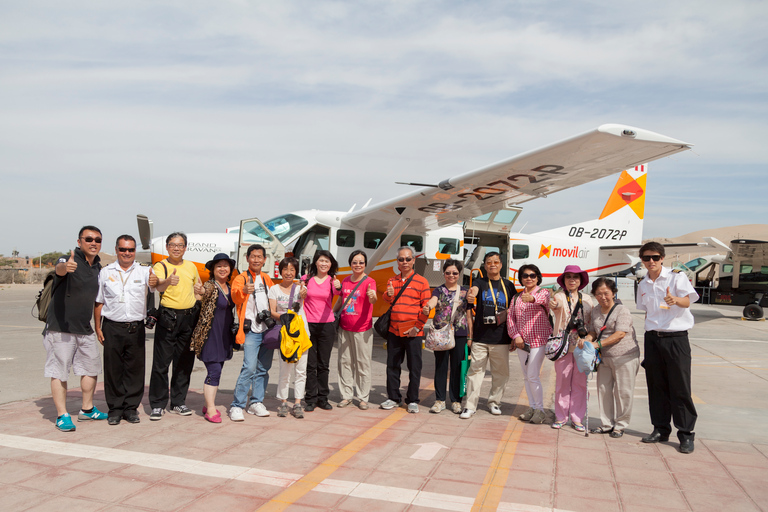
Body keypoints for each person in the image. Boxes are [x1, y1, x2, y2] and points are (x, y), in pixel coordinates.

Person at [636, 242, 699, 454]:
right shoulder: (643, 284)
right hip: (653, 339)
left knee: (680, 387)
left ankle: (686, 434)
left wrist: (675, 300)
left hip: (676, 339)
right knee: (656, 386)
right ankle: (660, 429)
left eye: (654, 257)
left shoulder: (676, 277)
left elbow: (688, 301)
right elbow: (646, 311)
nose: (651, 261)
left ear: (662, 257)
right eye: (646, 258)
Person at [43, 226, 108, 431]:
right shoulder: (67, 259)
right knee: (60, 372)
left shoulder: (97, 266)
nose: (93, 242)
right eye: (88, 239)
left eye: (97, 239)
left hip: (84, 327)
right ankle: (62, 415)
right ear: (79, 242)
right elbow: (60, 269)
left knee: (91, 368)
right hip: (60, 327)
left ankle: (87, 409)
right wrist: (65, 268)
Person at [94, 234, 157, 425]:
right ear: (116, 250)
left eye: (130, 250)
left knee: (134, 370)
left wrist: (160, 280)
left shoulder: (144, 272)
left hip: (135, 328)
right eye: (123, 249)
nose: (127, 253)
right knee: (113, 370)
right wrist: (98, 327)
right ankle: (115, 408)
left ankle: (131, 408)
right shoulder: (105, 272)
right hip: (112, 326)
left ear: (134, 251)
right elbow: (98, 301)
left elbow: (157, 286)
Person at [148, 232, 203, 421]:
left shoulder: (191, 266)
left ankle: (178, 402)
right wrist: (167, 281)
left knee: (184, 363)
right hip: (168, 319)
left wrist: (200, 294)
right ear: (167, 247)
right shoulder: (161, 266)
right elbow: (157, 287)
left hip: (188, 319)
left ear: (185, 247)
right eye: (173, 245)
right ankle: (157, 404)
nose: (177, 248)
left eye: (180, 245)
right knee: (161, 364)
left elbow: (199, 289)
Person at [581, 278, 640, 438]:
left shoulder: (622, 310)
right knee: (604, 390)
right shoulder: (595, 311)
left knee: (623, 391)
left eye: (606, 293)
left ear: (613, 293)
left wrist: (597, 344)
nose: (603, 297)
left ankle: (620, 425)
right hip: (604, 357)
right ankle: (606, 424)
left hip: (625, 356)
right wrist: (588, 340)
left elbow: (620, 333)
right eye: (598, 294)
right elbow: (593, 330)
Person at [461, 252, 516, 418]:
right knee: (475, 372)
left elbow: (514, 311)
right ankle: (470, 406)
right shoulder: (480, 282)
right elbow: (474, 291)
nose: (493, 265)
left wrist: (514, 336)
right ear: (484, 266)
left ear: (500, 265)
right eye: (489, 262)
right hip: (480, 337)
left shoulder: (508, 285)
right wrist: (472, 294)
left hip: (501, 338)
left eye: (496, 262)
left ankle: (494, 402)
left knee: (501, 373)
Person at [380, 246, 431, 413]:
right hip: (394, 331)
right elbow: (388, 299)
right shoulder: (392, 281)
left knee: (414, 367)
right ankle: (393, 397)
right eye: (401, 259)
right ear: (397, 262)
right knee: (392, 365)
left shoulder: (422, 281)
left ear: (414, 260)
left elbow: (426, 308)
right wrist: (388, 294)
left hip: (413, 332)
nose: (404, 262)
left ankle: (412, 400)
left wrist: (417, 328)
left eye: (408, 259)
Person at [230, 244, 276, 421]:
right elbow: (234, 296)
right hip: (251, 331)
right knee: (249, 368)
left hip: (266, 330)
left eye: (259, 257)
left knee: (263, 368)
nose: (256, 260)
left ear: (265, 260)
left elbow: (273, 299)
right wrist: (243, 291)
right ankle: (237, 405)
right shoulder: (241, 278)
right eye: (253, 256)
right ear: (247, 258)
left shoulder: (266, 278)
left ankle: (256, 402)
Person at [190, 253, 236, 423]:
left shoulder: (230, 287)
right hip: (210, 335)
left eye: (225, 266)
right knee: (214, 371)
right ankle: (210, 409)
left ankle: (207, 402)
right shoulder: (210, 285)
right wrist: (199, 291)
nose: (222, 269)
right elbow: (204, 291)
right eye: (219, 266)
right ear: (213, 270)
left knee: (217, 370)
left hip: (224, 336)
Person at [424, 259, 472, 414]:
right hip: (441, 334)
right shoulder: (438, 290)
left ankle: (456, 401)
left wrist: (470, 336)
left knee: (458, 367)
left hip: (459, 334)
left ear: (459, 274)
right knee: (441, 366)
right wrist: (428, 307)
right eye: (448, 272)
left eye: (455, 273)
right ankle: (440, 400)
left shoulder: (465, 292)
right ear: (444, 273)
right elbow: (433, 301)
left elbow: (469, 316)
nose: (451, 275)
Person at [549, 265, 593, 432]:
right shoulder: (559, 296)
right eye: (569, 277)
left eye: (576, 277)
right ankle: (561, 416)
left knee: (580, 384)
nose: (572, 280)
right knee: (562, 382)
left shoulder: (588, 299)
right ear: (564, 280)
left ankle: (577, 417)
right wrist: (553, 303)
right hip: (564, 347)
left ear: (580, 280)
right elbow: (555, 304)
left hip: (582, 347)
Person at [508, 264, 552, 424]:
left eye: (532, 275)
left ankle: (540, 410)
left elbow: (544, 300)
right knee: (526, 377)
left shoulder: (543, 292)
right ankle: (532, 407)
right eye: (525, 275)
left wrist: (532, 298)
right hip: (522, 342)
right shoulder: (515, 298)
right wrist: (515, 335)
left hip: (538, 340)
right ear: (521, 278)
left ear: (538, 277)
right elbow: (510, 318)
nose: (529, 278)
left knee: (533, 374)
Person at [335, 250, 377, 410]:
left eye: (361, 262)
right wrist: (332, 316)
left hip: (362, 329)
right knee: (344, 362)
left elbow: (373, 298)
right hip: (344, 328)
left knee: (362, 363)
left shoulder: (369, 281)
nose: (357, 265)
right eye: (354, 262)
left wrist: (372, 296)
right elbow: (340, 301)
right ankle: (346, 396)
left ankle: (362, 397)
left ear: (365, 264)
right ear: (350, 263)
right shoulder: (345, 281)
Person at [301, 250, 341, 412]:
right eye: (321, 260)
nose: (324, 264)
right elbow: (297, 299)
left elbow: (340, 293)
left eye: (327, 261)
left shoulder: (333, 281)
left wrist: (339, 286)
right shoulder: (306, 279)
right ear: (316, 262)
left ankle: (323, 398)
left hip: (327, 325)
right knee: (310, 364)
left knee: (323, 364)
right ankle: (310, 398)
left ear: (331, 264)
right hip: (308, 325)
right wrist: (300, 292)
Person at [269, 257, 310, 418]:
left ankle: (298, 402)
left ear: (296, 272)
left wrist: (304, 292)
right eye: (285, 269)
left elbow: (304, 301)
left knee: (301, 371)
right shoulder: (274, 289)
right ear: (281, 271)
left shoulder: (300, 288)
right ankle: (284, 402)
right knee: (285, 370)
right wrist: (282, 317)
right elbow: (272, 310)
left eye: (292, 270)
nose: (288, 273)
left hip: (301, 333)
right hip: (285, 334)